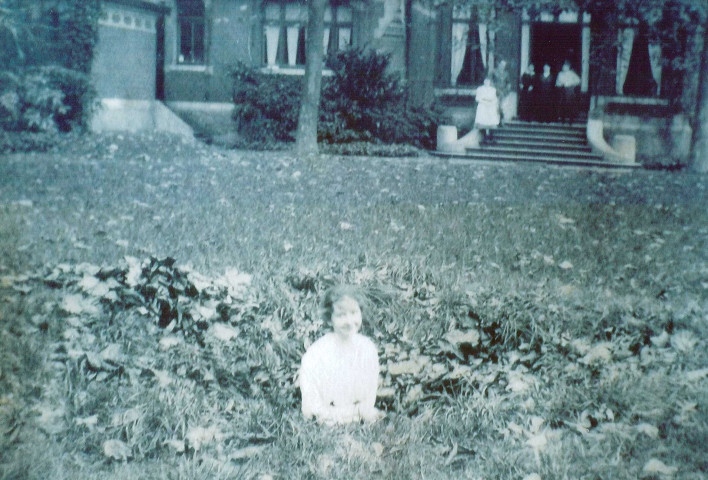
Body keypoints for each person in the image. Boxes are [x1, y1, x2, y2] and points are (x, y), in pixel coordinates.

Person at [299, 285, 382, 425]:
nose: (349, 322)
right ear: (330, 319)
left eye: (354, 312)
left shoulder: (368, 349)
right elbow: (310, 409)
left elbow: (368, 402)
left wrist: (363, 411)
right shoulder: (316, 354)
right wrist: (353, 414)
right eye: (341, 315)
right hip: (326, 420)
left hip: (356, 416)